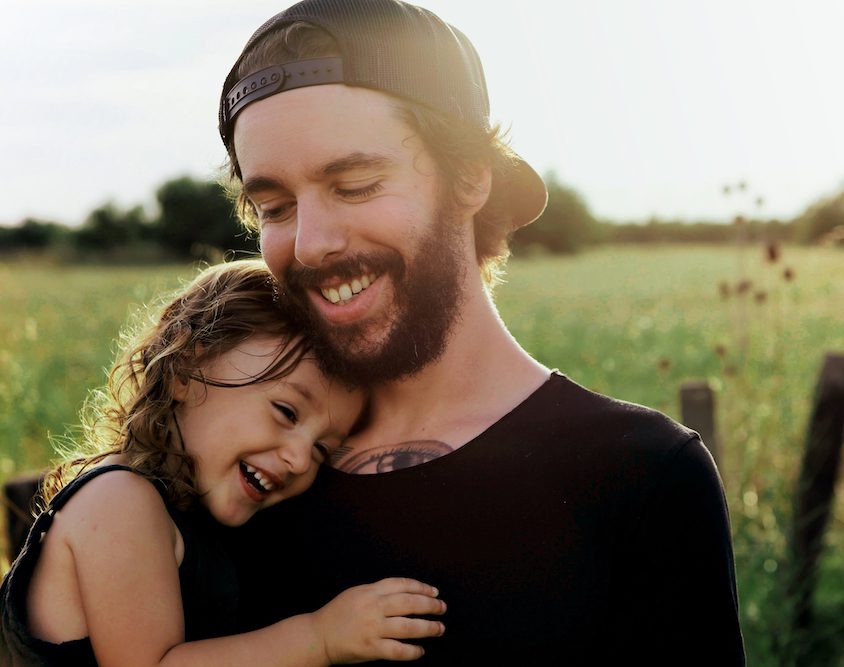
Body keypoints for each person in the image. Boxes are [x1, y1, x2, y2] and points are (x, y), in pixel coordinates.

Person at [218, 1, 745, 663]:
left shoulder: (640, 476)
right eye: (274, 207)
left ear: (470, 176)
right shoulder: (247, 471)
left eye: (354, 184)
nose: (312, 243)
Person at [0, 259, 447, 666]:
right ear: (184, 368)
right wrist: (321, 638)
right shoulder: (118, 501)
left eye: (320, 450)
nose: (297, 459)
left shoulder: (189, 519)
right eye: (286, 412)